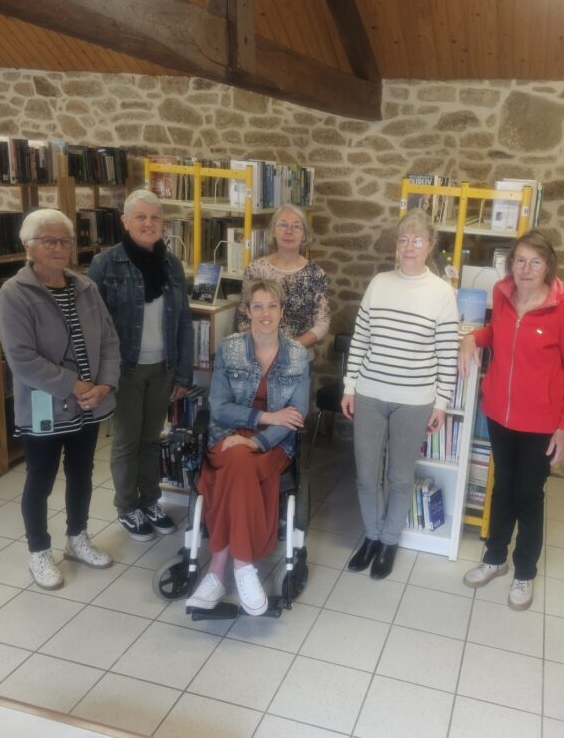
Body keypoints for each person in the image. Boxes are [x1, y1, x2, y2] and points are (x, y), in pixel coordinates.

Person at [459, 230, 564, 610]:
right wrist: (472, 338)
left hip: (541, 424)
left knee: (528, 496)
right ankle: (494, 557)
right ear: (510, 264)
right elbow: (497, 333)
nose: (526, 269)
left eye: (535, 261)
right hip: (500, 414)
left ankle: (524, 572)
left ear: (548, 266)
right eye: (520, 260)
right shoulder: (502, 295)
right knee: (502, 489)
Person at [0, 209, 120, 590]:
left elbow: (110, 342)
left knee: (82, 473)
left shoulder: (85, 287)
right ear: (28, 246)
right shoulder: (14, 294)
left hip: (89, 404)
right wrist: (74, 385)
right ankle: (38, 551)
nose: (59, 248)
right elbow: (21, 359)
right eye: (49, 241)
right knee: (41, 479)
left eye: (65, 240)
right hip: (45, 406)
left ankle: (76, 537)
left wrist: (105, 386)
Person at [341, 209, 458, 580]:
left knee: (399, 476)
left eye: (418, 240)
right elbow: (360, 340)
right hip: (370, 393)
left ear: (431, 246)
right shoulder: (379, 283)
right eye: (404, 239)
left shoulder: (442, 293)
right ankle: (372, 536)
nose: (409, 246)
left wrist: (441, 402)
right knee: (365, 474)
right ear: (396, 244)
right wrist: (350, 386)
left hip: (415, 399)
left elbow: (447, 352)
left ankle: (389, 541)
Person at [188, 279, 310, 615]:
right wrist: (266, 416)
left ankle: (219, 567)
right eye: (258, 306)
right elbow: (219, 405)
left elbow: (298, 414)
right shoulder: (229, 348)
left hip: (275, 442)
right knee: (239, 459)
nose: (265, 313)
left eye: (272, 306)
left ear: (282, 311)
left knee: (240, 461)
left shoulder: (299, 356)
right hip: (226, 434)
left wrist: (257, 438)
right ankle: (243, 566)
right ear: (247, 311)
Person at [89, 189, 194, 542]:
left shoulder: (171, 264)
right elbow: (96, 327)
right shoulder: (106, 264)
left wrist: (182, 372)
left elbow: (182, 322)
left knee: (151, 440)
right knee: (126, 442)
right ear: (125, 221)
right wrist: (102, 376)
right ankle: (127, 507)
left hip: (162, 368)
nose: (149, 224)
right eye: (141, 217)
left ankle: (150, 501)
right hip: (125, 371)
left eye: (155, 218)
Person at [234, 204, 330, 354]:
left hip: (299, 357)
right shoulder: (256, 270)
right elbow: (243, 318)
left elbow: (322, 323)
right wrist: (264, 348)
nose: (288, 231)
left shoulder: (316, 274)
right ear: (273, 231)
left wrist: (288, 349)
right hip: (258, 356)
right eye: (283, 225)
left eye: (296, 227)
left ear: (304, 235)